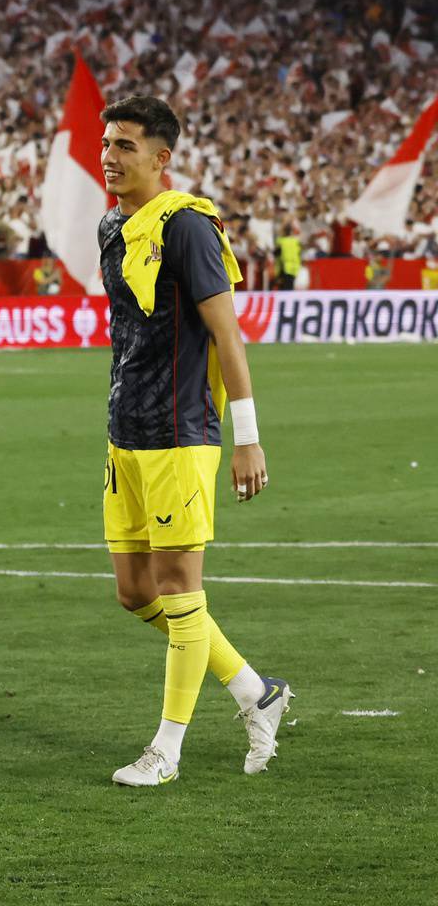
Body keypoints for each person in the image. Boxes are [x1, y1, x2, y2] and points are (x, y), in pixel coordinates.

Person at [95, 95, 291, 785]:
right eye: (106, 144)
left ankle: (166, 751)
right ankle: (253, 691)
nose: (109, 156)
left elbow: (226, 333)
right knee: (134, 591)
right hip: (128, 435)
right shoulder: (113, 227)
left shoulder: (187, 227)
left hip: (182, 433)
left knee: (179, 590)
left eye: (124, 146)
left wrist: (249, 437)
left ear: (161, 157)